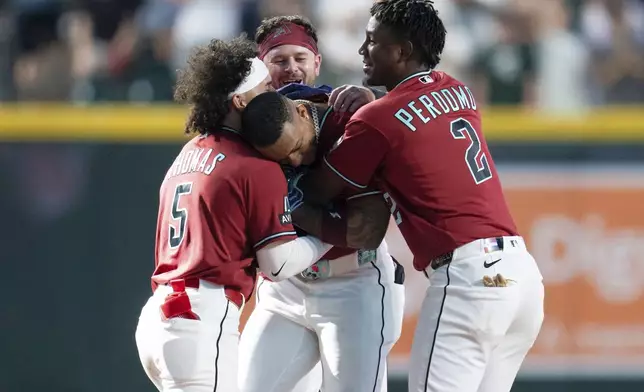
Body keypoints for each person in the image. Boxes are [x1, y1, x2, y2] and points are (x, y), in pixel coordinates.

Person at [297, 1, 545, 392]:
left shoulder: (376, 119)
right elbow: (409, 120)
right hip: (522, 278)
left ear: (403, 51)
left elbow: (318, 189)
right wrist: (373, 106)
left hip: (469, 281)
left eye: (373, 41)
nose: (363, 50)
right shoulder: (458, 89)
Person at [134, 36, 335, 392]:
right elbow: (277, 264)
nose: (274, 95)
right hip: (199, 318)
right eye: (264, 88)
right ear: (240, 101)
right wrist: (329, 235)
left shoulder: (189, 151)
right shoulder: (254, 165)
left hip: (160, 314)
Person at [237, 89, 405, 392]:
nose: (297, 161)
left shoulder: (347, 124)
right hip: (287, 290)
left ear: (302, 113)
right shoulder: (255, 127)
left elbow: (366, 230)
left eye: (297, 147)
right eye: (285, 158)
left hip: (353, 284)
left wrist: (298, 211)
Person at [255, 14, 384, 113]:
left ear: (316, 64)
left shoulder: (341, 109)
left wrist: (375, 100)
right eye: (280, 61)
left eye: (300, 59)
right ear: (260, 68)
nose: (292, 68)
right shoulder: (245, 119)